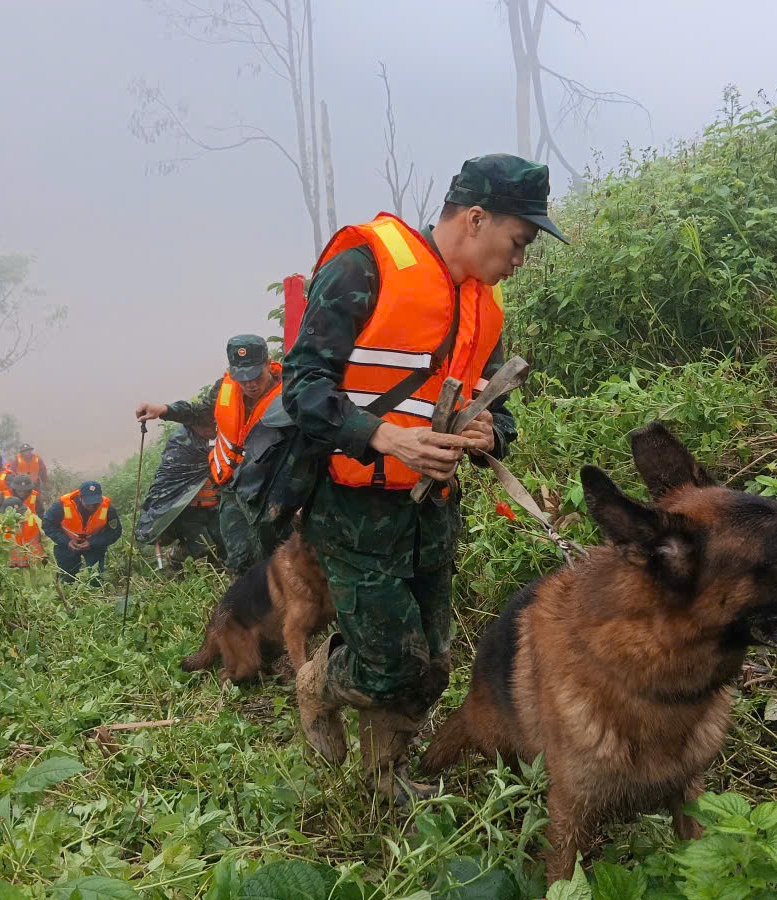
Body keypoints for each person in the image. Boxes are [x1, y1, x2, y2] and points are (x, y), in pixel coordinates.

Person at [283, 154, 568, 805]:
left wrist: (486, 432)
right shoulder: (364, 268)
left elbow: (496, 409)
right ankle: (317, 683)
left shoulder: (482, 310)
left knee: (433, 665)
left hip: (431, 509)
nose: (520, 259)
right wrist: (382, 435)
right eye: (518, 241)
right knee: (390, 665)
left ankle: (382, 778)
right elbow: (301, 386)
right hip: (353, 507)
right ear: (474, 218)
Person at [135, 335, 285, 576]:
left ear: (268, 364)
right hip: (233, 486)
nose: (250, 384)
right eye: (242, 378)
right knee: (239, 557)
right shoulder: (224, 388)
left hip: (272, 487)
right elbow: (203, 413)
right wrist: (163, 410)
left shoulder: (290, 391)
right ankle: (244, 608)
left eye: (256, 376)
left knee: (277, 554)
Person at [134, 407, 224, 569]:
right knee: (202, 545)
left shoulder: (223, 443)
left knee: (223, 542)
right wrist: (154, 518)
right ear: (194, 426)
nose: (210, 430)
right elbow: (165, 482)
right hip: (190, 511)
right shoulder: (181, 447)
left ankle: (215, 574)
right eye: (205, 427)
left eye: (213, 426)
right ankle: (176, 557)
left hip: (216, 506)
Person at [41, 480, 123, 585]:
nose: (92, 507)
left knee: (96, 578)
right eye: (88, 503)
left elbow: (115, 532)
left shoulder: (108, 509)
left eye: (95, 503)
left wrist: (92, 542)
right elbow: (47, 525)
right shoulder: (61, 505)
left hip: (94, 545)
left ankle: (95, 594)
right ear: (80, 497)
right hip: (66, 544)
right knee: (67, 578)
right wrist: (67, 541)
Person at [0, 495, 45, 568]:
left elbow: (46, 539)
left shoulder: (35, 520)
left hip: (35, 566)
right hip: (12, 569)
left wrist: (47, 557)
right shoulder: (0, 524)